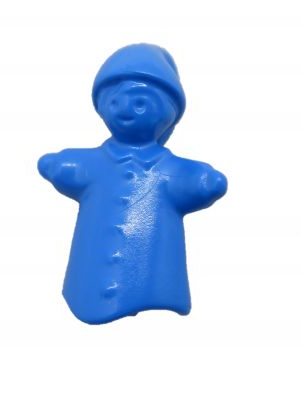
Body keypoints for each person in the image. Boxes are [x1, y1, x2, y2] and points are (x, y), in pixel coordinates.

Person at [38, 43, 227, 324]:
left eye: (140, 102)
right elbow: (72, 168)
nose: (125, 109)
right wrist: (58, 165)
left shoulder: (169, 169)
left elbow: (189, 181)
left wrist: (204, 182)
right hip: (84, 292)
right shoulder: (94, 162)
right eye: (114, 102)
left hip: (156, 290)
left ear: (168, 112)